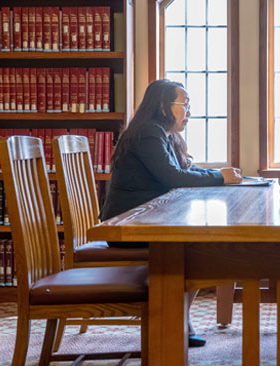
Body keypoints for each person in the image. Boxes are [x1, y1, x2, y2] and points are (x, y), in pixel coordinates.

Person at [100, 78, 242, 347]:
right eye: (184, 105)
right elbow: (172, 177)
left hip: (147, 221)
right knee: (197, 248)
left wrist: (220, 175)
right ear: (164, 106)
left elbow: (187, 170)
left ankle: (180, 319)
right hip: (129, 227)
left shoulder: (163, 134)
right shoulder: (148, 133)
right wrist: (220, 178)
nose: (189, 112)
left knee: (198, 246)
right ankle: (177, 320)